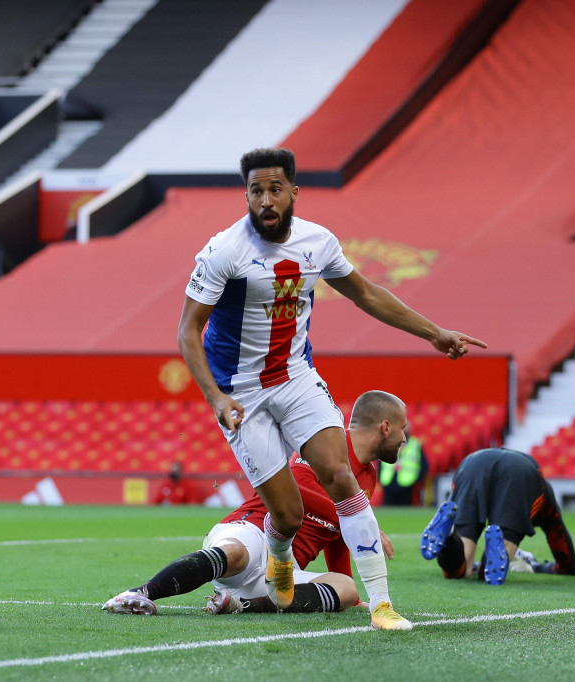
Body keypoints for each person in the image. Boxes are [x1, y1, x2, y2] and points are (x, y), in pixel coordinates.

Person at [176, 147, 487, 631]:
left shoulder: (317, 242)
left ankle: (382, 605)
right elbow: (187, 332)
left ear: (293, 192)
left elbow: (366, 293)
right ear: (247, 195)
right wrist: (217, 397)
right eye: (255, 190)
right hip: (243, 391)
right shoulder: (223, 252)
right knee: (287, 512)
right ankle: (279, 556)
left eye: (274, 188)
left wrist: (433, 332)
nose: (265, 199)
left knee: (341, 475)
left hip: (296, 378)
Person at [103, 390, 407, 617]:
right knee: (236, 554)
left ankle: (239, 605)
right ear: (385, 426)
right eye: (402, 428)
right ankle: (140, 593)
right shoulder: (327, 444)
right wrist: (357, 517)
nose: (405, 437)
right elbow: (297, 487)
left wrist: (354, 526)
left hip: (283, 571)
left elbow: (338, 536)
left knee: (346, 589)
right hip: (255, 529)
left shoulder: (369, 476)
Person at [419, 448, 575, 585]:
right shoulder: (546, 495)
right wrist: (537, 567)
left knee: (460, 571)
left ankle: (449, 538)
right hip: (520, 473)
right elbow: (565, 552)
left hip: (473, 464)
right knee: (488, 571)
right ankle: (484, 556)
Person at [379, 423, 428, 506]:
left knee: (404, 509)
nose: (403, 430)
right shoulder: (388, 442)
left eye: (405, 428)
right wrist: (379, 476)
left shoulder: (415, 444)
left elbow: (424, 465)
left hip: (407, 482)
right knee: (388, 509)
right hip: (389, 480)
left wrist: (418, 479)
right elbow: (381, 462)